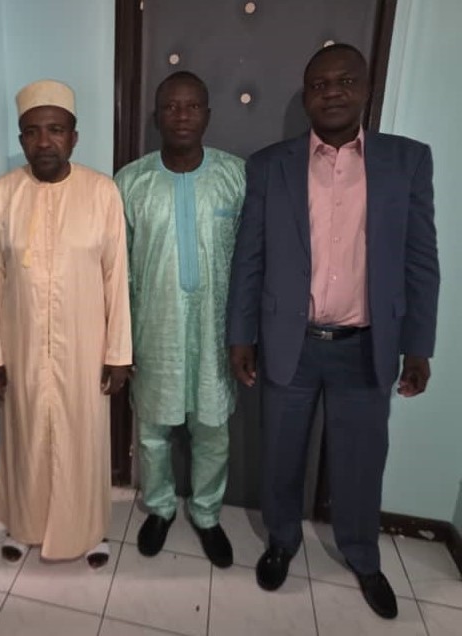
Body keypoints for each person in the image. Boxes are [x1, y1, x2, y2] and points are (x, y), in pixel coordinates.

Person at [227, 43, 439, 619]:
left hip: (365, 347)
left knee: (361, 460)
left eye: (345, 81)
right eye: (320, 84)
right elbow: (249, 258)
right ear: (307, 96)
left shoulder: (407, 161)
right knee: (280, 455)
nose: (333, 92)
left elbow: (421, 259)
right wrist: (241, 335)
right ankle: (281, 541)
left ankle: (362, 556)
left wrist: (418, 346)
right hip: (289, 344)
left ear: (366, 89)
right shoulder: (270, 165)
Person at [0, 80, 132, 568]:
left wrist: (119, 354)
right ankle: (25, 524)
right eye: (32, 132)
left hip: (85, 347)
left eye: (56, 130)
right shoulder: (2, 194)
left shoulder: (101, 192)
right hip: (20, 345)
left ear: (74, 137)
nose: (44, 142)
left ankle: (89, 530)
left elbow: (116, 278)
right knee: (25, 435)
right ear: (21, 139)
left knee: (83, 438)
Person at [115, 72, 246, 568]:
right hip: (154, 330)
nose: (182, 115)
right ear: (157, 116)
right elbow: (118, 271)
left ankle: (207, 515)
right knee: (152, 432)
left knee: (213, 431)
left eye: (192, 106)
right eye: (171, 106)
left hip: (217, 334)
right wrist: (121, 343)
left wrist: (246, 334)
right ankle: (160, 508)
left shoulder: (236, 176)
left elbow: (251, 263)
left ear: (208, 114)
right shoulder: (130, 182)